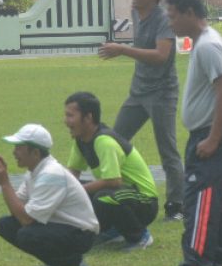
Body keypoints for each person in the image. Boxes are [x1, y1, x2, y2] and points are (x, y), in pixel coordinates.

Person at [157, 0, 222, 266]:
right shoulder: (202, 43)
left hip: (211, 134)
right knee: (216, 202)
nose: (171, 23)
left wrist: (213, 139)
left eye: (173, 16)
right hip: (207, 133)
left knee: (200, 202)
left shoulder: (207, 46)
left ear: (190, 13)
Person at [99, 0, 184, 221]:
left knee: (167, 150)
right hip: (138, 91)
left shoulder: (164, 19)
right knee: (115, 141)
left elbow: (161, 56)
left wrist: (122, 49)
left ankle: (176, 205)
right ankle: (124, 190)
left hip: (162, 93)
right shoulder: (136, 11)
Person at [0, 123, 98, 266]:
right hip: (63, 229)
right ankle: (56, 263)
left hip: (81, 234)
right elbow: (17, 207)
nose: (14, 152)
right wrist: (3, 183)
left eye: (19, 147)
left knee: (27, 234)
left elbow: (26, 219)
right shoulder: (34, 172)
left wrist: (5, 183)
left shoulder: (51, 174)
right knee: (5, 224)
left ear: (35, 152)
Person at [63, 91, 159, 249]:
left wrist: (79, 190)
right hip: (122, 194)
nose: (66, 121)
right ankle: (114, 231)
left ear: (88, 118)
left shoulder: (104, 141)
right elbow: (72, 175)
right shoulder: (80, 141)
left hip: (145, 201)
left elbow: (114, 181)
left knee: (104, 197)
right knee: (70, 187)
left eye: (70, 116)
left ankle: (140, 236)